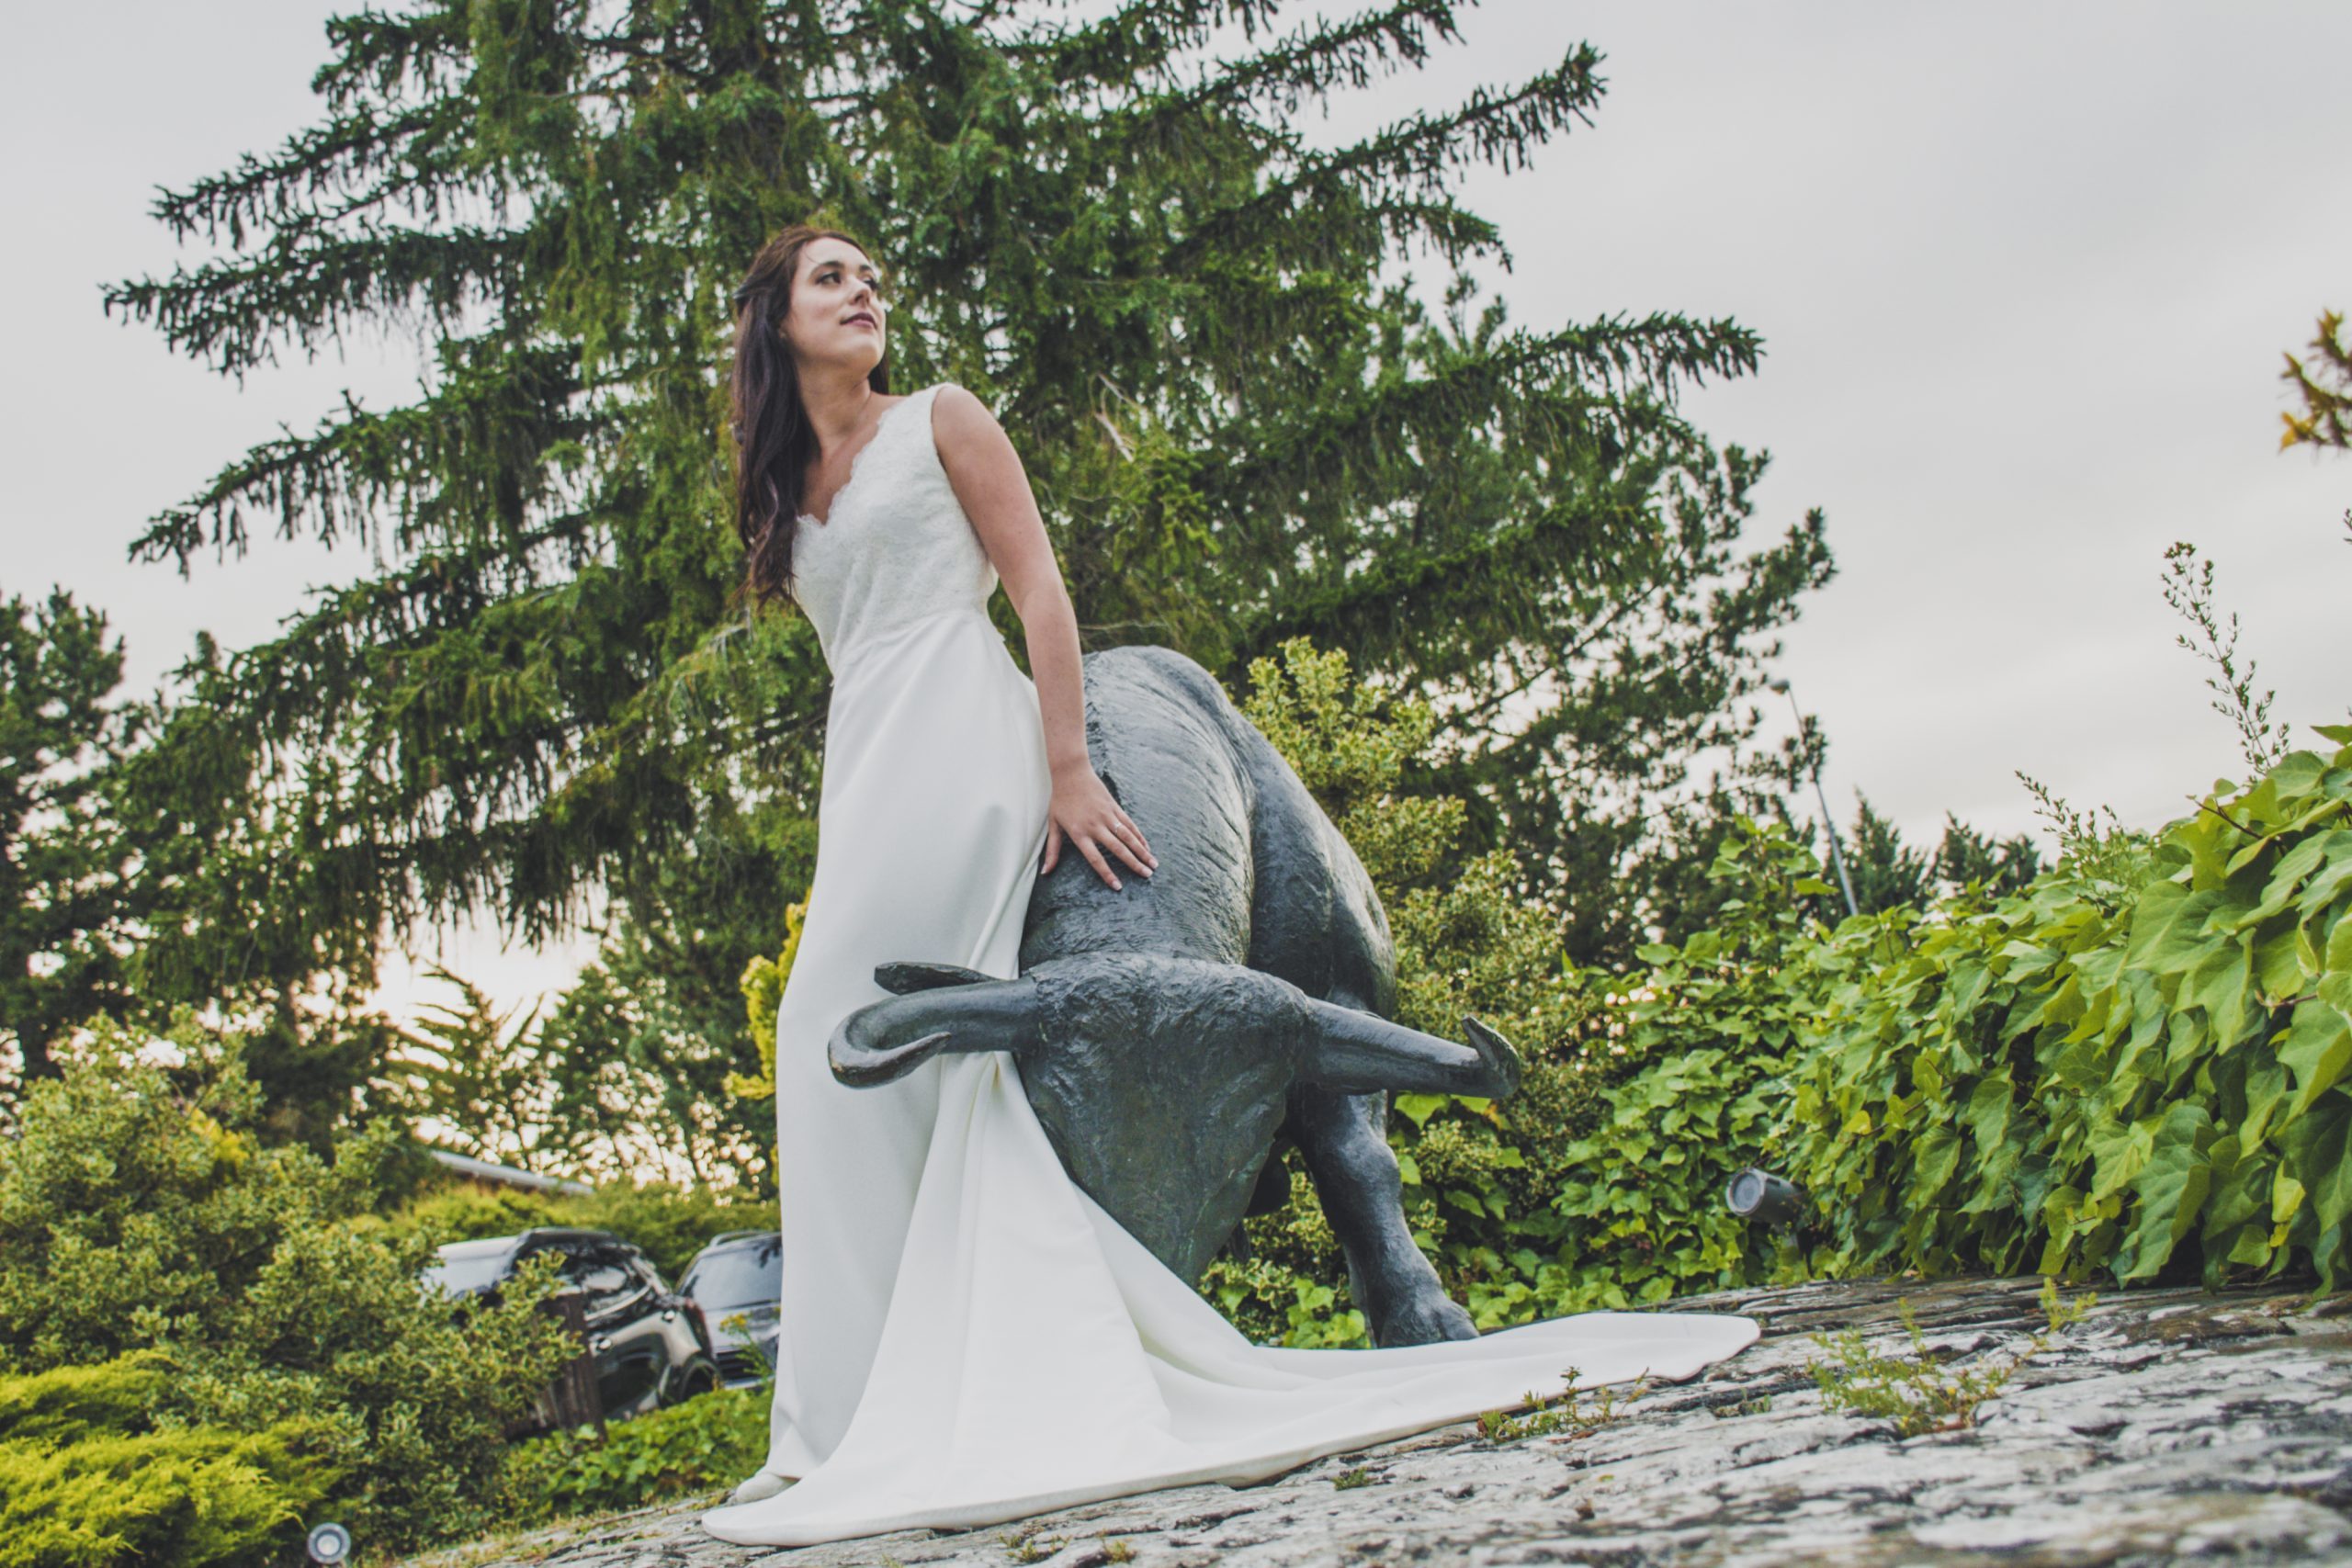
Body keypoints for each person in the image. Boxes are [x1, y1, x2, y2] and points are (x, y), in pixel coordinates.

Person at [696, 224, 1758, 1550]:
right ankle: (837, 1427)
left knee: (921, 1059)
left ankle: (955, 1388)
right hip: (869, 769)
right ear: (774, 317)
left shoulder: (943, 418)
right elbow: (853, 652)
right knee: (828, 1057)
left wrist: (1069, 769)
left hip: (970, 748)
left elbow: (1038, 588)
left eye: (871, 277)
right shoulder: (783, 490)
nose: (865, 292)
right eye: (832, 279)